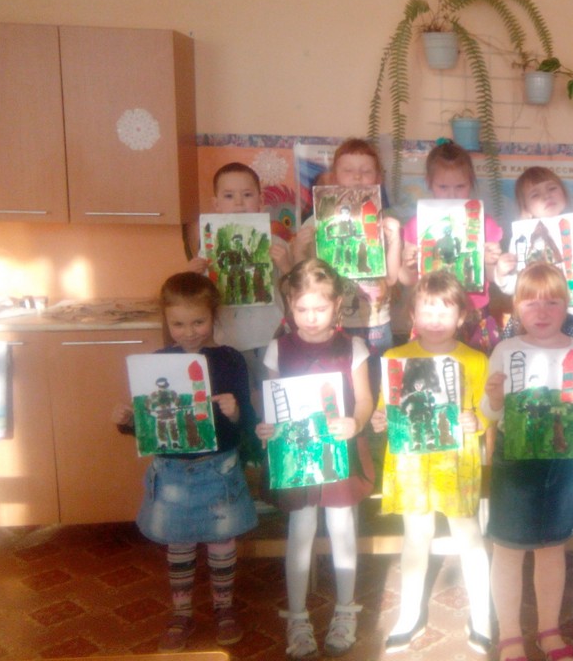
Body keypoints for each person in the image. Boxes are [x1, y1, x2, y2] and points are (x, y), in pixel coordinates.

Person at [114, 272, 258, 651]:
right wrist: (128, 421)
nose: (189, 332)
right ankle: (181, 611)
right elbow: (152, 427)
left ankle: (224, 607)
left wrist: (235, 411)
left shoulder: (230, 360)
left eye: (198, 322)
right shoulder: (157, 363)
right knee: (179, 544)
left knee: (221, 543)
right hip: (173, 472)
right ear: (166, 320)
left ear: (214, 316)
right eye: (178, 324)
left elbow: (247, 423)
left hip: (218, 469)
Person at [481, 263, 573, 661]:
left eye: (552, 302)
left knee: (552, 548)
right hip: (514, 464)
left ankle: (548, 630)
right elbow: (489, 412)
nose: (542, 310)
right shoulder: (505, 350)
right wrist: (494, 398)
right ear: (516, 306)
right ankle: (510, 634)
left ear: (567, 306)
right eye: (531, 302)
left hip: (562, 462)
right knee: (508, 548)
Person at [254, 259, 375, 660]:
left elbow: (364, 400)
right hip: (296, 456)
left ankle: (345, 610)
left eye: (319, 308)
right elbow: (271, 404)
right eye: (301, 308)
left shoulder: (352, 348)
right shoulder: (279, 348)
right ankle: (297, 616)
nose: (310, 317)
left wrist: (355, 423)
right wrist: (266, 427)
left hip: (339, 451)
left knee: (342, 528)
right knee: (300, 529)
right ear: (289, 305)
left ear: (337, 304)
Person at [371, 271, 492, 654]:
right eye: (427, 310)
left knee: (469, 536)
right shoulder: (395, 358)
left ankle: (482, 615)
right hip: (412, 462)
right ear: (412, 316)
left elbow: (488, 411)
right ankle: (409, 615)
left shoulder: (475, 360)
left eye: (445, 310)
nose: (435, 319)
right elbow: (385, 409)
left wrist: (477, 420)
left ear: (461, 317)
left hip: (457, 460)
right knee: (416, 536)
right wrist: (379, 419)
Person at [290, 138, 403, 392]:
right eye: (348, 171)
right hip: (332, 323)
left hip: (375, 322)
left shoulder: (386, 221)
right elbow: (303, 280)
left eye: (366, 171)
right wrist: (299, 250)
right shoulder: (316, 222)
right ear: (334, 177)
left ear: (378, 178)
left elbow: (392, 278)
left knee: (378, 384)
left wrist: (395, 240)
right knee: (342, 383)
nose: (357, 177)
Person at [187, 162, 292, 418]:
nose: (238, 203)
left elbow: (294, 291)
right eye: (228, 196)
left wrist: (286, 266)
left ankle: (272, 438)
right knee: (238, 402)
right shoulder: (208, 247)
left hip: (270, 337)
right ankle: (247, 441)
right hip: (229, 340)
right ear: (216, 204)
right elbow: (198, 298)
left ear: (260, 201)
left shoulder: (277, 243)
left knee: (274, 401)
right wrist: (192, 274)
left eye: (247, 194)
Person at [399, 141, 504, 352]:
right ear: (429, 183)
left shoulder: (484, 223)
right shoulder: (417, 225)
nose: (452, 194)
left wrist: (491, 262)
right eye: (443, 187)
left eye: (460, 186)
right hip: (433, 313)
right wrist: (409, 264)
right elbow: (407, 279)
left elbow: (493, 277)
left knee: (477, 366)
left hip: (474, 311)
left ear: (471, 183)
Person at [494, 166, 573, 339]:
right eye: (535, 195)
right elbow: (512, 288)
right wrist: (501, 273)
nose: (546, 196)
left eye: (552, 188)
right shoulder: (520, 240)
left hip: (569, 320)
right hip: (527, 321)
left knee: (567, 357)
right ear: (526, 208)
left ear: (564, 194)